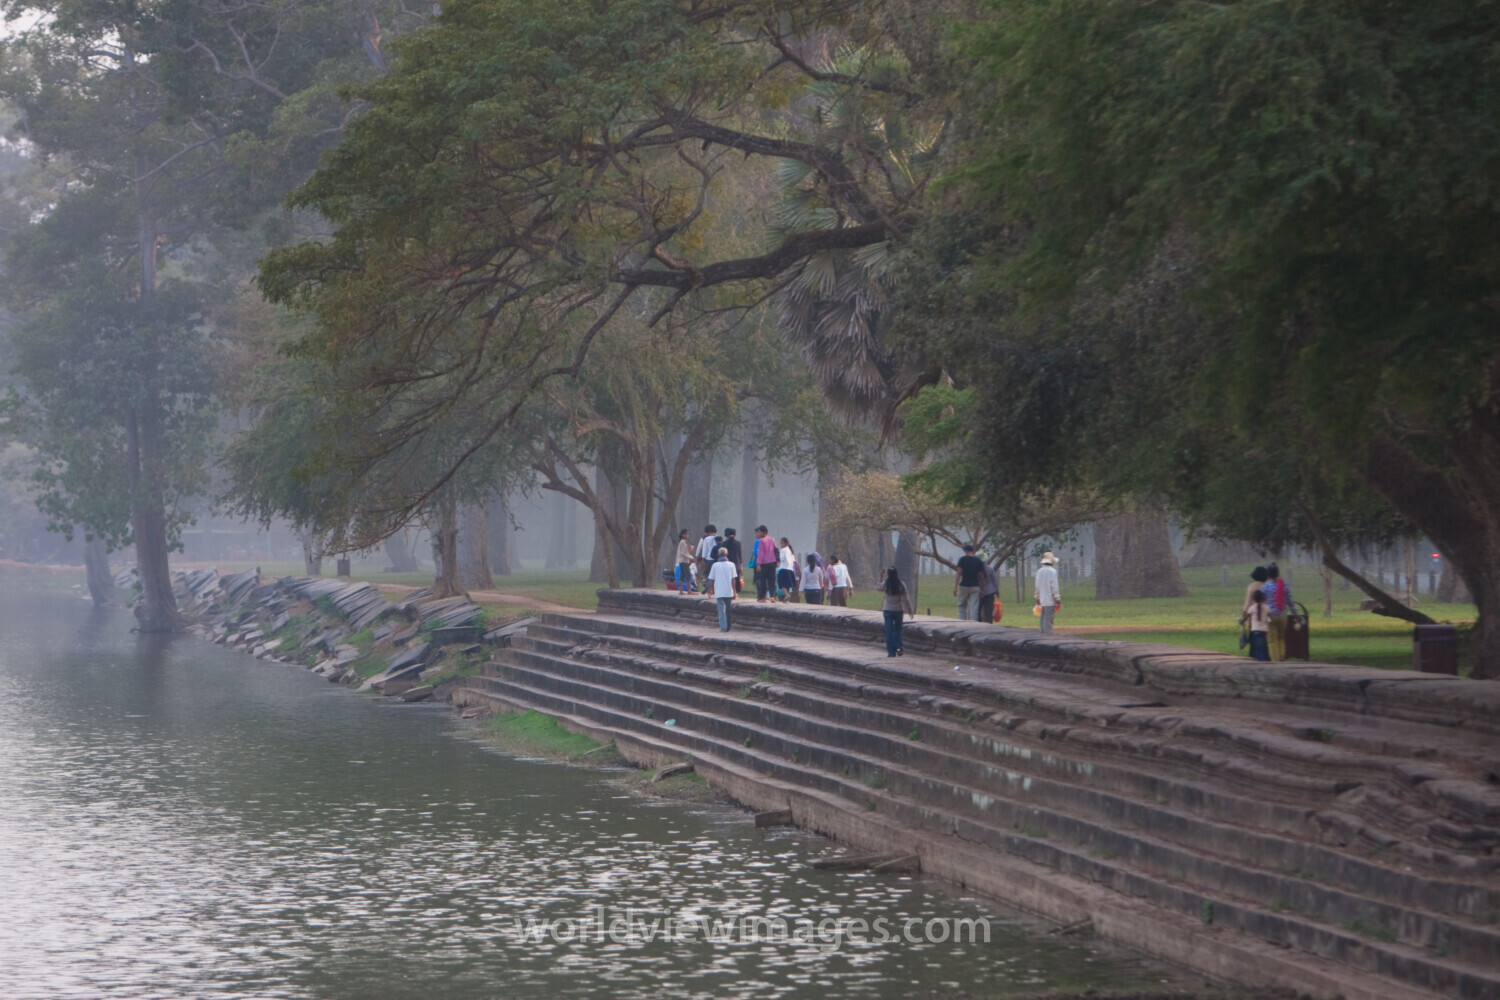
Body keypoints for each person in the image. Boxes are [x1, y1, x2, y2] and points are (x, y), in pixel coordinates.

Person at [881, 566, 916, 656]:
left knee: (889, 631)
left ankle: (891, 652)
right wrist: (910, 609)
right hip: (898, 610)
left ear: (888, 574)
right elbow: (906, 598)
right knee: (898, 629)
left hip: (887, 610)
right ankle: (899, 647)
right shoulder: (901, 584)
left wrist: (881, 576)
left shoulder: (886, 583)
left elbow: (878, 588)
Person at [1264, 562, 1293, 661]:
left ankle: (1275, 661)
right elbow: (1290, 601)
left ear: (1268, 575)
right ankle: (1282, 656)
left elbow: (1260, 599)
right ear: (1277, 573)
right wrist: (1295, 613)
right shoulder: (1284, 585)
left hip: (1270, 616)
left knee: (1272, 640)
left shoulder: (1266, 586)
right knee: (1281, 637)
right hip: (1282, 615)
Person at [707, 547, 738, 631]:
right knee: (728, 609)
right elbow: (733, 580)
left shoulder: (715, 565)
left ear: (718, 555)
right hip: (728, 590)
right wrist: (734, 591)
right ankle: (728, 625)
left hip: (719, 590)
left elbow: (712, 580)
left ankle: (723, 626)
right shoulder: (731, 565)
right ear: (727, 554)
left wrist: (711, 589)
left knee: (721, 610)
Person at [954, 544, 986, 620]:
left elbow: (959, 573)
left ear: (965, 551)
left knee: (962, 605)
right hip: (975, 586)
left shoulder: (962, 559)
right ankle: (973, 623)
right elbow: (981, 576)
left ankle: (962, 621)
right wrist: (982, 589)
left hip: (964, 585)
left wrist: (955, 587)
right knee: (974, 606)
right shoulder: (978, 561)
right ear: (973, 551)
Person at [1035, 550, 1061, 634]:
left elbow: (1037, 586)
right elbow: (1054, 587)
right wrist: (1057, 599)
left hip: (1042, 599)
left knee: (1042, 617)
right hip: (1050, 599)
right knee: (1048, 619)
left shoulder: (1039, 571)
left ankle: (1041, 634)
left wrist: (1037, 597)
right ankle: (1047, 636)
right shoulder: (1052, 571)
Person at [751, 526, 778, 602]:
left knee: (763, 580)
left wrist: (758, 564)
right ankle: (772, 596)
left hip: (764, 563)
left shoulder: (761, 541)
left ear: (764, 532)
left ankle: (763, 597)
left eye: (759, 532)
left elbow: (761, 553)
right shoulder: (772, 540)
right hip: (772, 562)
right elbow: (775, 550)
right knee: (771, 580)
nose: (758, 533)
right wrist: (777, 561)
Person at [1244, 589, 1271, 661]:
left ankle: (1259, 660)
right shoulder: (1266, 607)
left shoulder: (1252, 608)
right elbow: (1269, 616)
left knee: (1257, 647)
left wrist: (1242, 621)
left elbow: (1246, 617)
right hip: (1264, 630)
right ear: (1262, 598)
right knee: (1263, 646)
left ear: (1254, 599)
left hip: (1255, 630)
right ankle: (1265, 660)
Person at [722, 528, 744, 594]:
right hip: (736, 563)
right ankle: (735, 592)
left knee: (728, 578)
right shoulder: (738, 543)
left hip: (727, 562)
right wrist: (741, 564)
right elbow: (740, 554)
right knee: (736, 578)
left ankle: (728, 591)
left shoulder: (724, 543)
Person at [675, 529, 696, 593]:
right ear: (682, 535)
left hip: (684, 560)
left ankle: (681, 591)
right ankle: (689, 590)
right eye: (685, 534)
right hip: (683, 561)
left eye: (687, 534)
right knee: (687, 575)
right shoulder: (682, 542)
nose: (687, 535)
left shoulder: (684, 542)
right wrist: (690, 558)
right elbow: (683, 553)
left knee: (683, 575)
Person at [776, 536, 796, 602]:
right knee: (788, 584)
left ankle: (787, 594)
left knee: (781, 584)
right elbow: (793, 560)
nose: (781, 545)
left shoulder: (783, 550)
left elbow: (782, 559)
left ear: (785, 543)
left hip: (783, 569)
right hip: (790, 569)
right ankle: (787, 596)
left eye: (782, 543)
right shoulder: (790, 551)